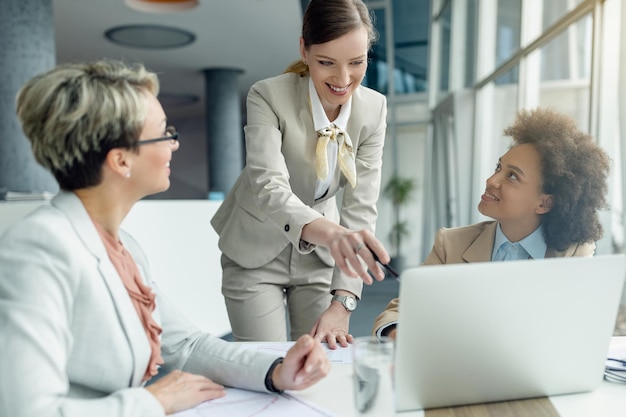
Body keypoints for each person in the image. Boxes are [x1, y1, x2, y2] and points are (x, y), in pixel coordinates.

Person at [0, 60, 330, 417]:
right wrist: (152, 402)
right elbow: (28, 410)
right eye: (163, 133)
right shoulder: (38, 249)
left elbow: (187, 345)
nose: (174, 145)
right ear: (121, 160)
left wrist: (277, 371)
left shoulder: (124, 246)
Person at [211, 0, 390, 348]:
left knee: (319, 365)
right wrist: (334, 235)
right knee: (270, 367)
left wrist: (344, 301)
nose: (343, 80)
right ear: (304, 51)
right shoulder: (267, 95)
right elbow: (268, 185)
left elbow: (361, 207)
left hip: (321, 259)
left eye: (356, 63)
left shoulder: (373, 109)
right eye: (327, 63)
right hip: (256, 249)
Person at [373, 107, 612, 339]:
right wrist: (397, 332)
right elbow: (397, 312)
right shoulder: (452, 244)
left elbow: (576, 328)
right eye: (499, 167)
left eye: (512, 176)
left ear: (544, 203)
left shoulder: (574, 254)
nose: (490, 180)